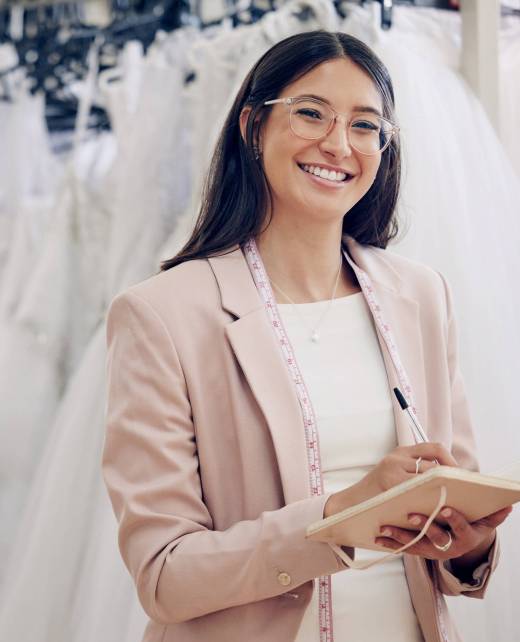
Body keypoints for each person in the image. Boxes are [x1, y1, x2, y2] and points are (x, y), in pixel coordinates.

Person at [102, 30, 512, 642]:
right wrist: (338, 519)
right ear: (252, 126)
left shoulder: (421, 296)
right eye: (311, 113)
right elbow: (165, 576)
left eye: (366, 125)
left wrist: (466, 544)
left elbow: (451, 527)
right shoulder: (162, 315)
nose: (338, 144)